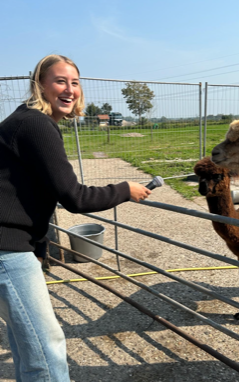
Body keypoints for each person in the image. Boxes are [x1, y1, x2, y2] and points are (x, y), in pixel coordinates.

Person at [0, 54, 151, 382]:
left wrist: (38, 244)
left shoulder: (25, 121)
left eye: (75, 82)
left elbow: (26, 193)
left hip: (13, 246)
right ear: (40, 85)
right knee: (45, 348)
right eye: (60, 81)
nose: (69, 89)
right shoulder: (36, 125)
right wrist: (126, 188)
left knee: (26, 342)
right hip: (6, 251)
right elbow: (74, 197)